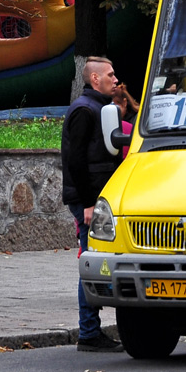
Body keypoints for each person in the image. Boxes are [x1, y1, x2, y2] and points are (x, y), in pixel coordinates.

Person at [62, 56, 125, 353]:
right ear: (95, 80)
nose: (116, 79)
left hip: (98, 200)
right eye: (110, 75)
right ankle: (88, 332)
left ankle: (92, 330)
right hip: (89, 202)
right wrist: (88, 203)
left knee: (97, 262)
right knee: (91, 263)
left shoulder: (100, 109)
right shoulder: (85, 110)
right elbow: (75, 160)